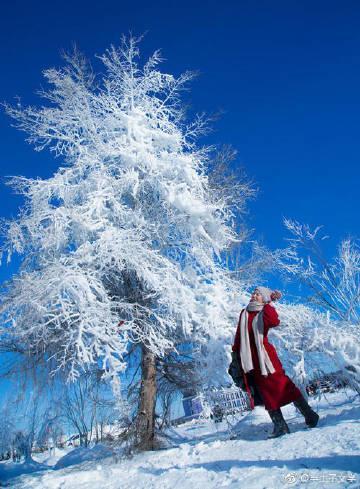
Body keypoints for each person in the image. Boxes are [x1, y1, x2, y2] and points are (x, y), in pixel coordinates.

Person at [229, 286, 319, 438]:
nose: (254, 295)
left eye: (258, 294)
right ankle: (280, 426)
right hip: (251, 361)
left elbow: (274, 321)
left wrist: (269, 303)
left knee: (284, 384)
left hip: (266, 357)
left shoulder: (264, 311)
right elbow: (239, 336)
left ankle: (309, 414)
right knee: (264, 391)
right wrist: (235, 354)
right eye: (254, 293)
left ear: (263, 298)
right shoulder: (244, 313)